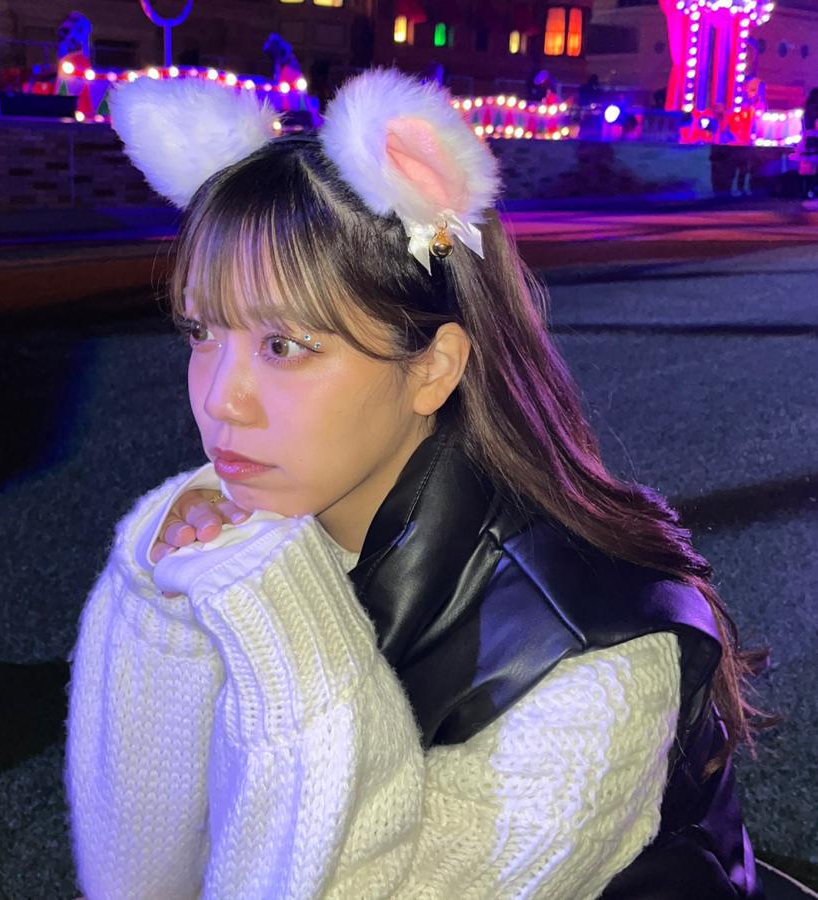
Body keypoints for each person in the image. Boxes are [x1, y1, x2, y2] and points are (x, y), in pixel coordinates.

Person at [65, 68, 768, 898]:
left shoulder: (591, 663)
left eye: (284, 346)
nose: (220, 399)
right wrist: (160, 609)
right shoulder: (265, 520)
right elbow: (138, 878)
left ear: (432, 369)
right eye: (200, 331)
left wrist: (286, 629)